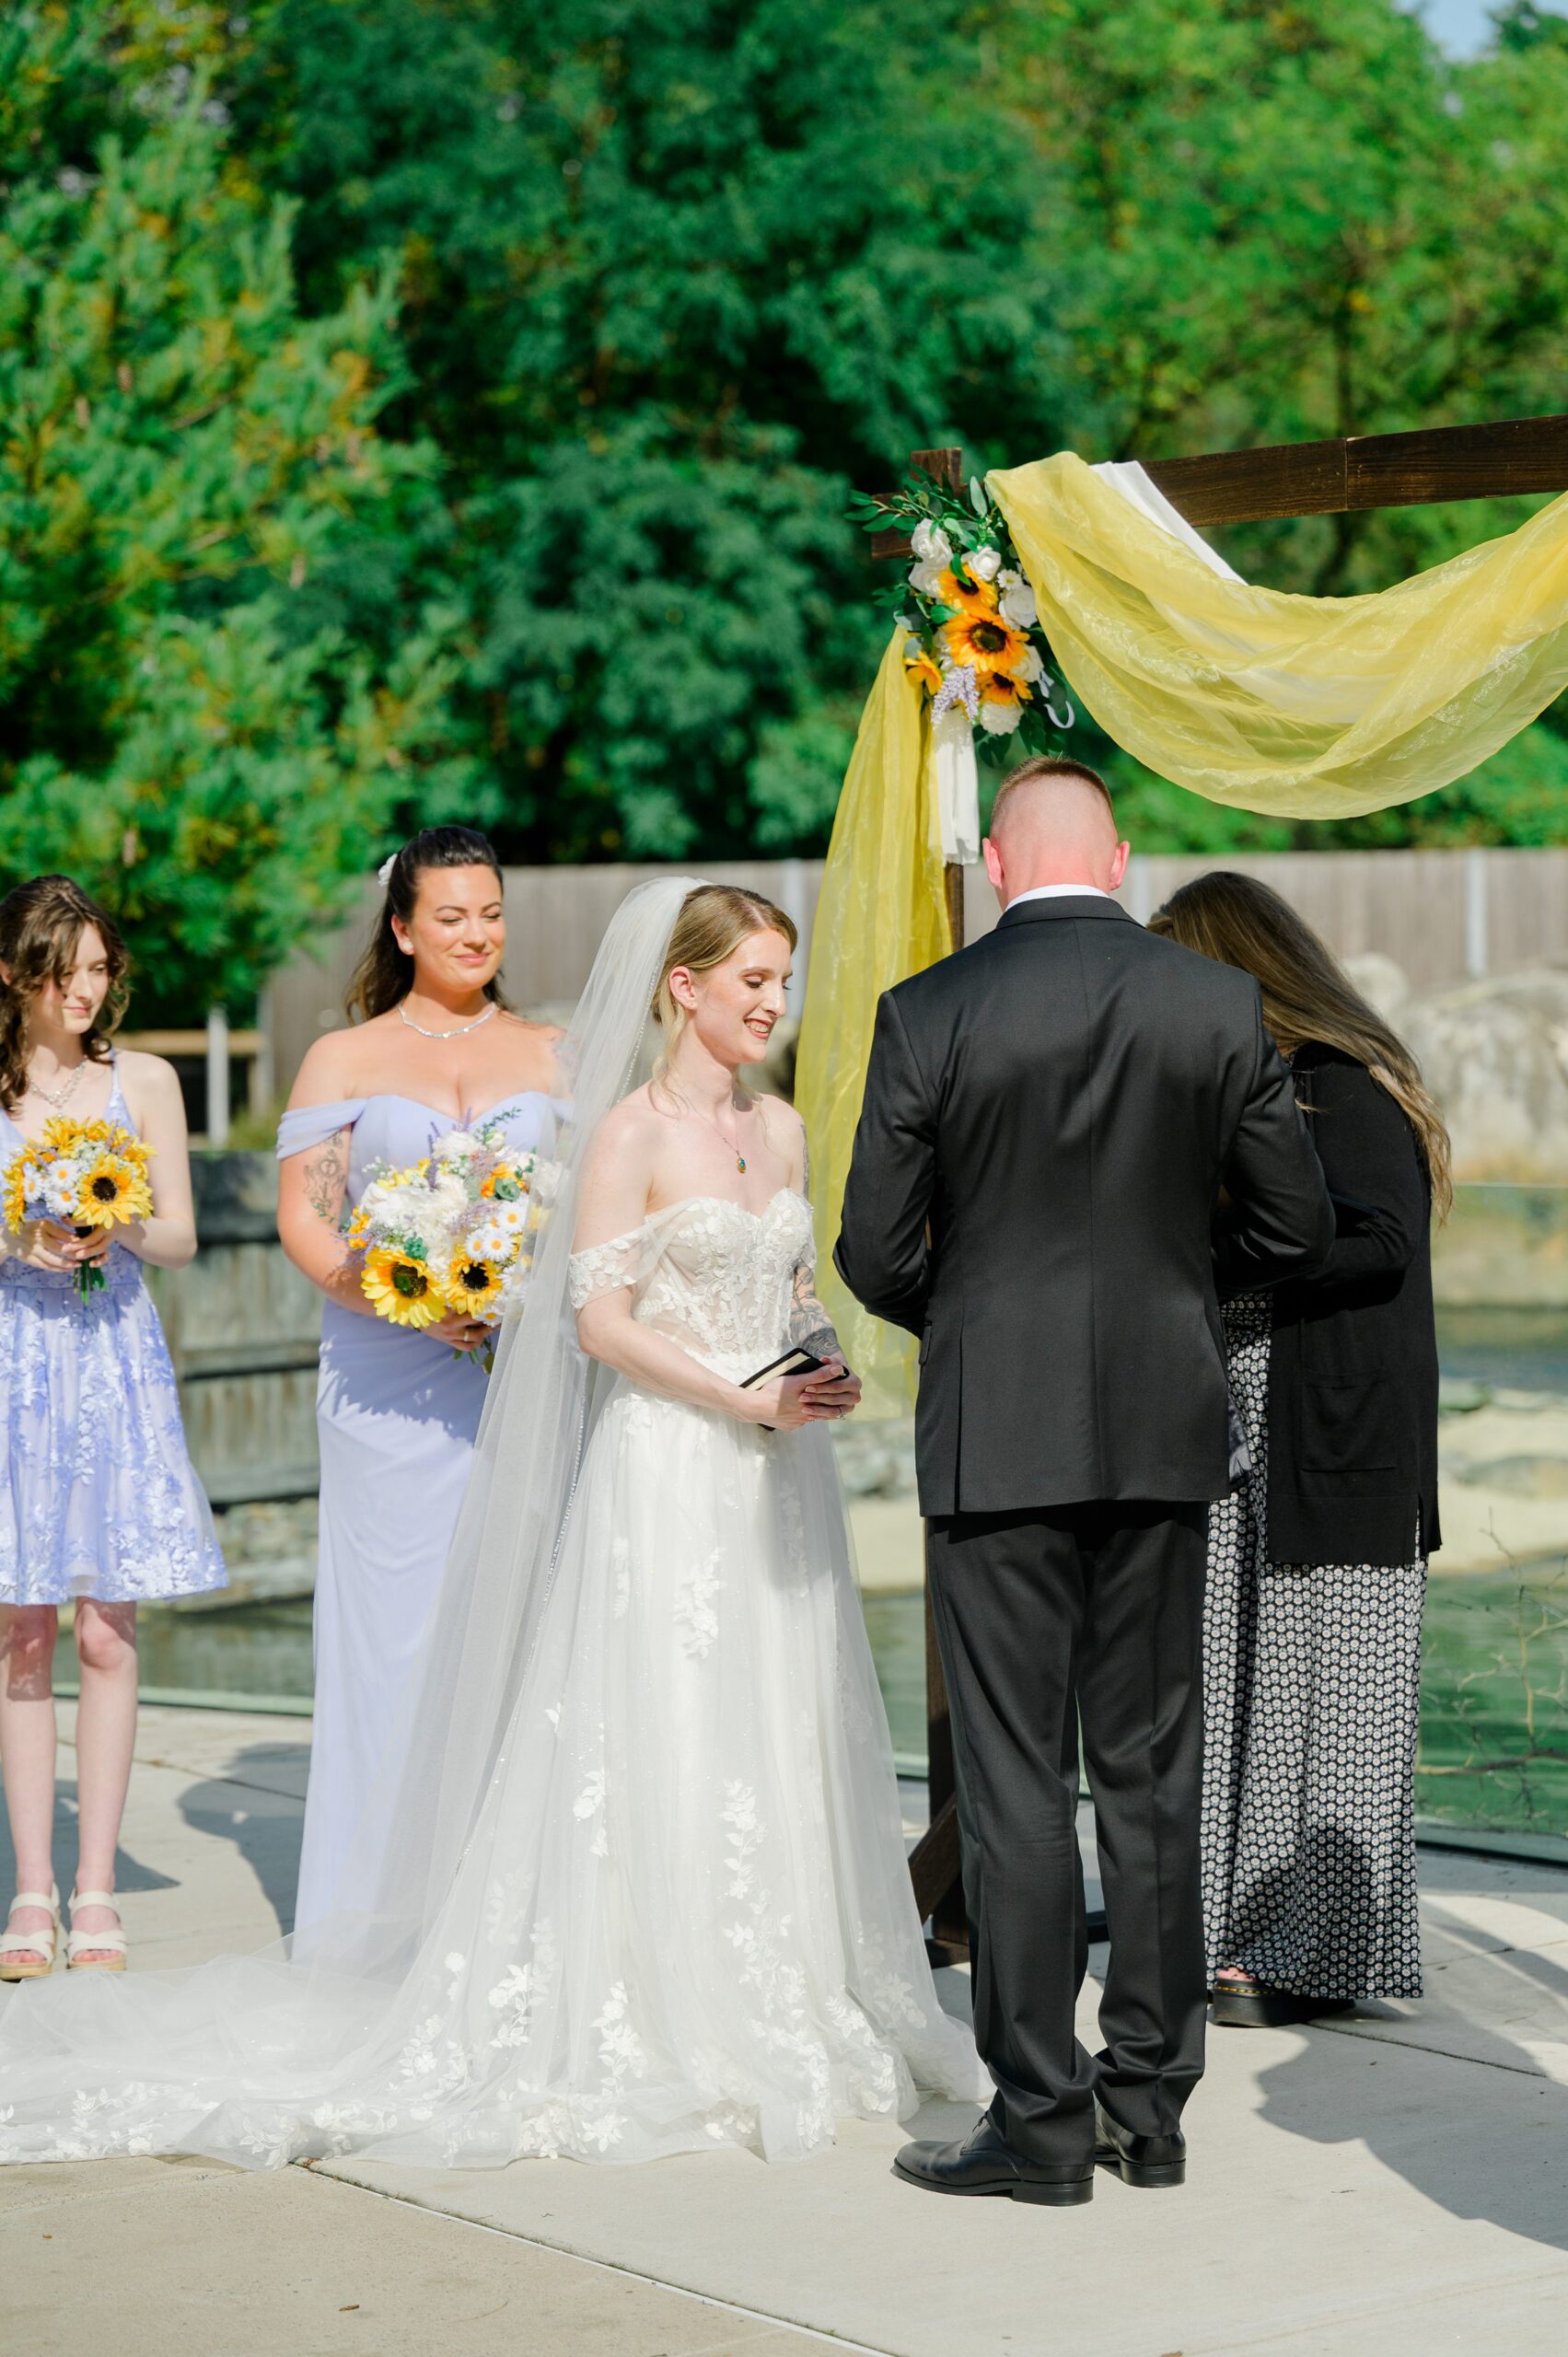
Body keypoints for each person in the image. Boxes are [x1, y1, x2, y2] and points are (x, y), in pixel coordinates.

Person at [0, 874, 984, 2170]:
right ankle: (641, 1987)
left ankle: (780, 1978)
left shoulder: (785, 1131)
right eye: (753, 981)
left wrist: (810, 1362)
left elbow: (790, 1284)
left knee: (774, 1714)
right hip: (652, 1453)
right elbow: (599, 1318)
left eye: (780, 983)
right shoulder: (620, 1131)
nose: (774, 1004)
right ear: (682, 987)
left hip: (771, 1467)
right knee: (657, 1712)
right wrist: (725, 1387)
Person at [835, 759, 1333, 2208]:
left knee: (1010, 1791)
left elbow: (873, 1252)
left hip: (996, 1444)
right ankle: (1151, 2112)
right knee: (1150, 1783)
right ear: (1112, 858)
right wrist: (1177, 1296)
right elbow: (1295, 1231)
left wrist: (984, 1328)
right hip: (1159, 1436)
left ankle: (1038, 2127)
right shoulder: (1212, 1006)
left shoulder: (926, 1013)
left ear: (996, 862)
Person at [1148, 873, 1446, 2026]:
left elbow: (1377, 1244)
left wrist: (1221, 1248)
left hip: (1336, 1443)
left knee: (1328, 1692)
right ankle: (1224, 1922)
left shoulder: (1338, 1087)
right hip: (1253, 1440)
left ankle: (1308, 1953)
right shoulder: (1264, 1086)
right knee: (1232, 1683)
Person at [276, 827, 566, 1936]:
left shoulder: (550, 1054)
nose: (475, 933)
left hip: (516, 1371)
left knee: (512, 1622)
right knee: (393, 1632)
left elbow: (585, 1204)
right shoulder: (343, 1059)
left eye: (489, 912)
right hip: (383, 1379)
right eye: (450, 916)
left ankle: (496, 1909)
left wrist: (512, 1296)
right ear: (403, 928)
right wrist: (398, 1294)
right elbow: (308, 1215)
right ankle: (374, 1914)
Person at [0, 876, 225, 1981]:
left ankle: (98, 1889)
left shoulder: (143, 1079)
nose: (86, 989)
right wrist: (17, 1244)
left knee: (107, 1625)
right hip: (14, 1364)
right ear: (14, 974)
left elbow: (182, 1236)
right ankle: (30, 1890)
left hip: (112, 1361)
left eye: (98, 968)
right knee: (21, 1630)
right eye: (64, 970)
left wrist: (116, 1224)